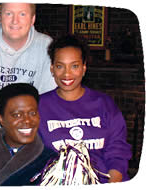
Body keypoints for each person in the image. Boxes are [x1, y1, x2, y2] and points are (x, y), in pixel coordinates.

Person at [38, 34, 132, 183]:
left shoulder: (104, 104)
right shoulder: (39, 105)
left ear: (83, 68)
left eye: (74, 66)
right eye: (60, 66)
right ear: (52, 69)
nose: (67, 73)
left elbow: (118, 152)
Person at [0, 3, 56, 113]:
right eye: (8, 13)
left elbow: (48, 98)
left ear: (33, 19)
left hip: (26, 124)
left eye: (22, 14)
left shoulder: (46, 46)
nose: (15, 21)